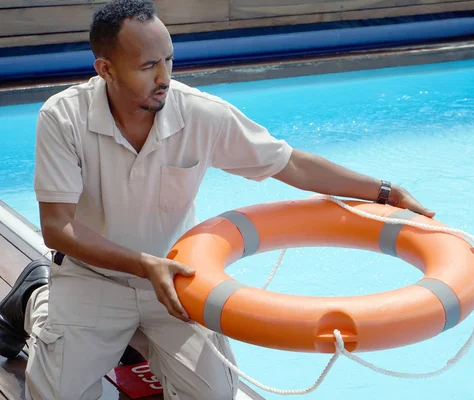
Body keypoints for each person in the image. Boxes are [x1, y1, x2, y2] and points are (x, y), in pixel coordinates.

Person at [0, 0, 435, 399]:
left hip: (178, 281)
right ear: (107, 70)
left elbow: (291, 164)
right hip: (92, 279)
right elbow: (58, 228)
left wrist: (384, 191)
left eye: (169, 60)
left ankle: (126, 337)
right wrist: (143, 265)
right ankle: (37, 297)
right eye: (149, 65)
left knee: (213, 396)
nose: (165, 77)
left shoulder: (200, 114)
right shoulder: (63, 117)